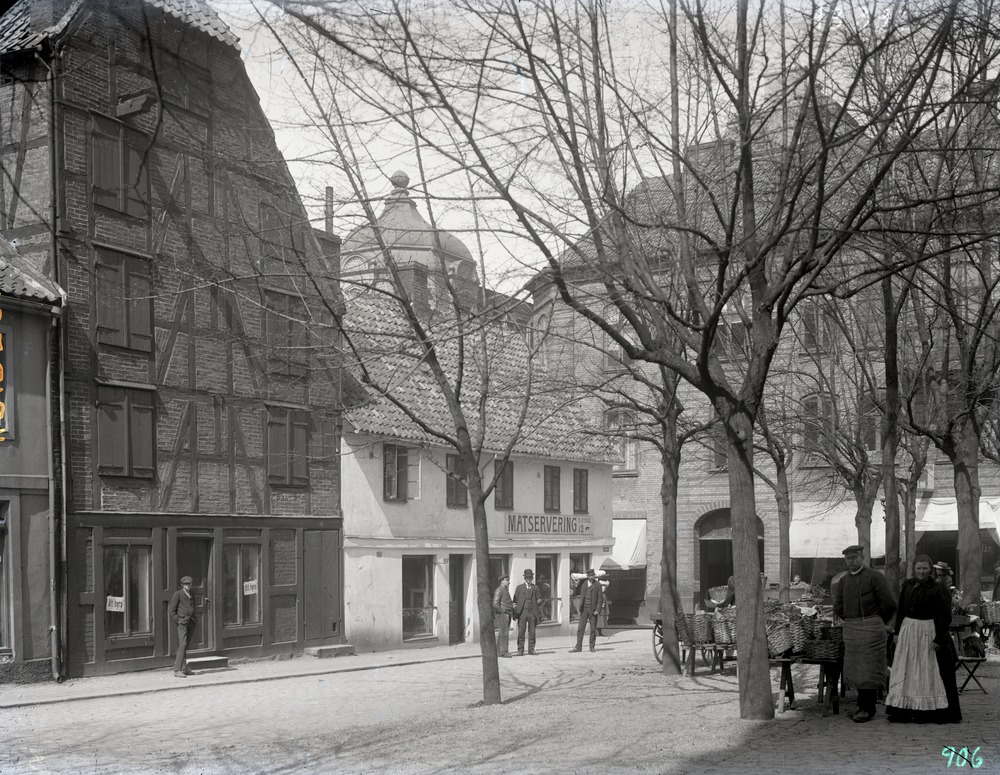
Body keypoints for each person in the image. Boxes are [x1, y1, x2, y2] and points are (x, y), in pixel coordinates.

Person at [886, 555, 962, 724]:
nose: (922, 572)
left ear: (930, 570)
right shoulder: (908, 585)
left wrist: (939, 638)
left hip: (928, 631)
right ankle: (904, 710)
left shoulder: (938, 588)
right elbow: (901, 610)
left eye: (925, 568)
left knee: (927, 670)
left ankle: (930, 711)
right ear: (914, 569)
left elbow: (945, 615)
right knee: (908, 668)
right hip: (908, 631)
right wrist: (897, 633)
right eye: (919, 568)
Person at [833, 545, 897, 723]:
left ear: (862, 557)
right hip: (852, 630)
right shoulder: (843, 581)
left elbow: (889, 603)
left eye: (854, 557)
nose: (851, 561)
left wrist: (876, 621)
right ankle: (861, 706)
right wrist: (852, 620)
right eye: (848, 559)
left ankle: (868, 709)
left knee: (870, 669)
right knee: (856, 669)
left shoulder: (876, 577)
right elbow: (838, 606)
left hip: (872, 629)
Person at [168, 575, 196, 678]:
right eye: (185, 584)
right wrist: (178, 620)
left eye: (189, 584)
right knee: (182, 644)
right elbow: (171, 610)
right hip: (182, 623)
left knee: (186, 645)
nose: (188, 585)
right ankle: (177, 670)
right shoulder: (178, 594)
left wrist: (194, 618)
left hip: (191, 622)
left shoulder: (192, 593)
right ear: (182, 585)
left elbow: (193, 606)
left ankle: (184, 668)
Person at [512, 569, 542, 656]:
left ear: (532, 578)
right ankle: (520, 650)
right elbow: (515, 600)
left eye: (530, 577)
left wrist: (539, 600)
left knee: (532, 632)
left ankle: (531, 649)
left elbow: (539, 598)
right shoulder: (519, 588)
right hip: (522, 612)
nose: (528, 579)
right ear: (524, 578)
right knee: (521, 632)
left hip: (532, 612)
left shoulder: (535, 588)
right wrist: (516, 609)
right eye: (527, 577)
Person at [572, 568, 603, 652]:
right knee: (580, 628)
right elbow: (577, 592)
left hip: (593, 610)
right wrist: (575, 583)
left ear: (594, 576)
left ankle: (592, 647)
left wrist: (597, 610)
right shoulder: (583, 584)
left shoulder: (597, 585)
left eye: (592, 576)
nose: (591, 577)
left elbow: (600, 599)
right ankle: (578, 647)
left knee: (593, 629)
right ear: (587, 576)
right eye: (590, 576)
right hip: (584, 609)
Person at [492, 573, 513, 658]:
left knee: (503, 633)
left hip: (506, 613)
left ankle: (500, 652)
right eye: (507, 580)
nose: (509, 582)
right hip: (503, 614)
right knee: (504, 633)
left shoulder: (504, 590)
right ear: (502, 581)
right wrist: (502, 613)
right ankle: (504, 652)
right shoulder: (499, 590)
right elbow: (495, 604)